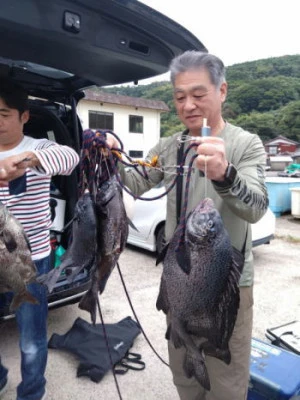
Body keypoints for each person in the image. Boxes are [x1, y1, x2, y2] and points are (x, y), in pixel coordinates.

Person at [106, 51, 269, 400]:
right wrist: (107, 155)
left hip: (227, 284)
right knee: (186, 377)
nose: (188, 105)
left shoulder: (245, 144)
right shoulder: (169, 147)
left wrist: (226, 174)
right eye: (180, 97)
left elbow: (257, 207)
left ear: (222, 91)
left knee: (226, 385)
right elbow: (133, 181)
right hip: (179, 283)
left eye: (198, 94)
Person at [0, 78, 79, 400]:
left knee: (31, 338)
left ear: (24, 116)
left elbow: (70, 157)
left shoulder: (40, 149)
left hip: (30, 259)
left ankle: (31, 393)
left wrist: (27, 161)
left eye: (4, 113)